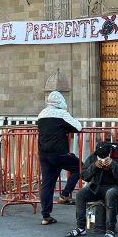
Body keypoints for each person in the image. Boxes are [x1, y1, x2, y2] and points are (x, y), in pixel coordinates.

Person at [65, 141, 118, 237]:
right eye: (100, 156)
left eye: (104, 156)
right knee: (80, 194)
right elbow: (83, 175)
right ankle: (81, 227)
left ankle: (110, 230)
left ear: (110, 152)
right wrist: (94, 166)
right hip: (97, 187)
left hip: (116, 187)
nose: (102, 158)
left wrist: (113, 164)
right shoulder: (94, 156)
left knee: (110, 193)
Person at [37, 91, 82, 226]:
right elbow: (78, 127)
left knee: (47, 184)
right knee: (80, 167)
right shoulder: (61, 114)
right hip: (59, 153)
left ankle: (46, 216)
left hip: (44, 154)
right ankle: (65, 194)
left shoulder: (42, 114)